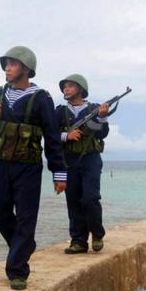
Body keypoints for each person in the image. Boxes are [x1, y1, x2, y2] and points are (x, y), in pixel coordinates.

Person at [0, 46, 67, 290]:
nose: (7, 68)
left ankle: (17, 270)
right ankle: (25, 246)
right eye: (6, 64)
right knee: (0, 212)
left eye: (12, 64)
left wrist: (59, 173)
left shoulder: (41, 98)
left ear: (26, 69)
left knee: (27, 218)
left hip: (27, 167)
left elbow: (51, 136)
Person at [55, 74, 109, 254]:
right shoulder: (60, 112)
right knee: (73, 200)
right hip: (69, 160)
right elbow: (50, 135)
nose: (66, 89)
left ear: (80, 88)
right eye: (64, 87)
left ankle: (97, 233)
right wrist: (66, 136)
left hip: (90, 158)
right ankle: (78, 241)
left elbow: (101, 134)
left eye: (70, 86)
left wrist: (101, 117)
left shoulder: (93, 108)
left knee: (90, 198)